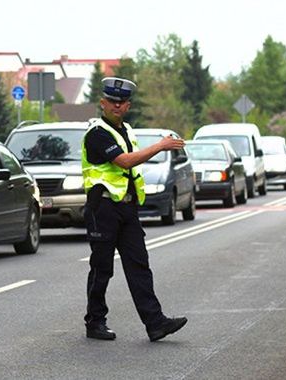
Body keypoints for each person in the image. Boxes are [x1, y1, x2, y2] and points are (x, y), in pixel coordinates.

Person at [81, 77, 188, 341]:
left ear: (128, 105)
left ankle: (155, 323)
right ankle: (95, 321)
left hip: (127, 209)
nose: (117, 106)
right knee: (102, 267)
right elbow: (124, 162)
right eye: (112, 102)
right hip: (103, 208)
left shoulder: (127, 130)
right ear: (102, 103)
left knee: (139, 266)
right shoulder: (97, 133)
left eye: (122, 102)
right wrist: (160, 146)